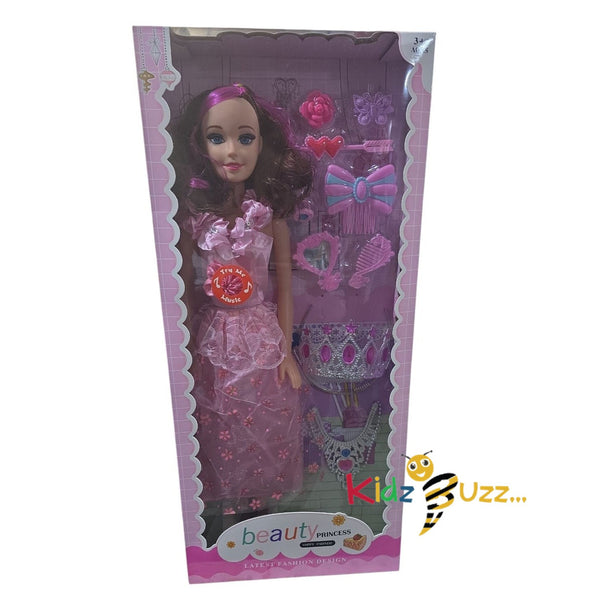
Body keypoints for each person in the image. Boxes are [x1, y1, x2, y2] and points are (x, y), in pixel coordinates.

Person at [170, 84, 313, 545]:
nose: (232, 151)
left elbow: (286, 286)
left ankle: (261, 526)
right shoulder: (194, 217)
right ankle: (217, 533)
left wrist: (287, 353)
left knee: (265, 434)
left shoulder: (269, 216)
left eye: (245, 137)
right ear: (199, 143)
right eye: (217, 137)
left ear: (262, 143)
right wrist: (185, 354)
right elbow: (183, 291)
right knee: (218, 430)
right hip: (214, 342)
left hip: (262, 340)